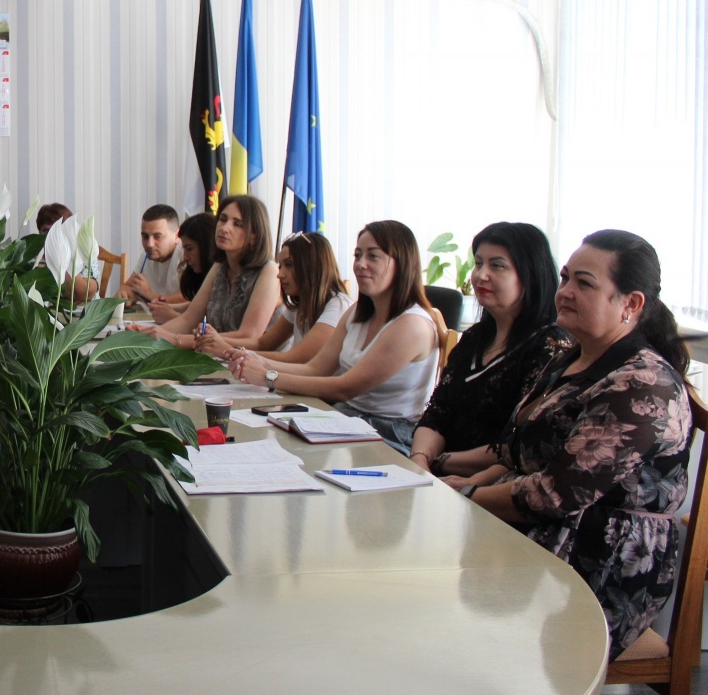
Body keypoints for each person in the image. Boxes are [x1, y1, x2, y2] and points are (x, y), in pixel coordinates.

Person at [461, 229, 692, 661]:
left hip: (600, 563)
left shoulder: (643, 384)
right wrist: (455, 477)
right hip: (539, 532)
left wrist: (465, 496)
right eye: (565, 278)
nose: (564, 291)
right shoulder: (570, 354)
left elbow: (555, 495)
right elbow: (515, 450)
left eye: (584, 284)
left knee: (456, 614)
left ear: (631, 303)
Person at [230, 220, 440, 454]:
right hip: (346, 417)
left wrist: (268, 376)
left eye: (373, 256)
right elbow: (315, 369)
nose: (360, 264)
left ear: (402, 263)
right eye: (357, 255)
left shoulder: (412, 325)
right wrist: (256, 361)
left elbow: (345, 388)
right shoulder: (356, 313)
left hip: (389, 433)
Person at [407, 222, 573, 478]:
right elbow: (437, 414)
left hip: (491, 484)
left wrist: (439, 463)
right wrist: (420, 460)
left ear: (530, 274)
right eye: (478, 263)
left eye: (497, 266)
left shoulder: (550, 347)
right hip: (437, 473)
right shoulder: (474, 338)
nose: (480, 275)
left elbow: (519, 443)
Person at [132, 195, 279, 349]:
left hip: (259, 361)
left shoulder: (269, 271)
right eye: (223, 219)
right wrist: (145, 335)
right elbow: (188, 320)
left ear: (254, 236)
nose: (224, 228)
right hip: (219, 357)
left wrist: (175, 339)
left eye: (237, 224)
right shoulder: (220, 266)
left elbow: (248, 335)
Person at [196, 231, 352, 363]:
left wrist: (229, 351)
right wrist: (214, 339)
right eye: (280, 266)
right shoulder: (299, 305)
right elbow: (263, 344)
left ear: (312, 266)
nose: (279, 274)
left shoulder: (338, 306)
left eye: (289, 265)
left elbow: (295, 359)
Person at [149, 212, 216, 323]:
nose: (185, 257)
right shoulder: (201, 275)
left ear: (207, 247)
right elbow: (198, 306)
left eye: (189, 249)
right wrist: (170, 308)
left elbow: (212, 329)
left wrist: (172, 316)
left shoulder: (221, 275)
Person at [117, 204, 185, 304]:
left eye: (157, 236)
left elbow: (191, 299)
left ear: (177, 235)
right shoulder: (146, 255)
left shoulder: (186, 254)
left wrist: (149, 296)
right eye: (145, 236)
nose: (150, 244)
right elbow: (128, 286)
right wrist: (124, 294)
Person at [36, 202, 97, 303]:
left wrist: (63, 260)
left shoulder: (84, 254)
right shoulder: (35, 257)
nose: (51, 237)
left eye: (57, 231)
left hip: (80, 311)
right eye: (46, 231)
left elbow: (87, 293)